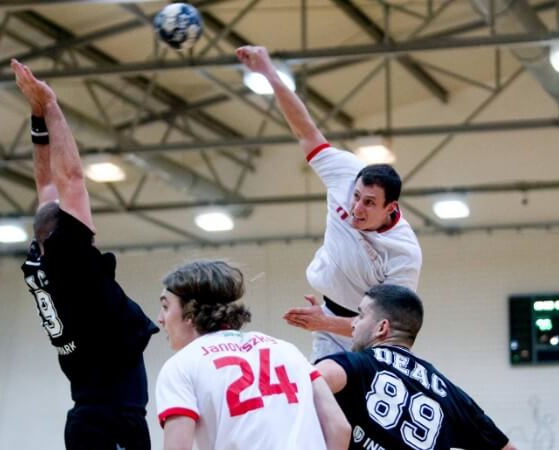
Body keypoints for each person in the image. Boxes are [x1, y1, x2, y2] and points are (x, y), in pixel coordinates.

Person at [236, 45, 423, 361]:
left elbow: (389, 326)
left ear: (390, 208)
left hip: (373, 337)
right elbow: (305, 130)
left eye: (369, 203)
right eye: (356, 197)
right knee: (321, 389)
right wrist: (269, 72)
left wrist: (325, 322)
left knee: (358, 392)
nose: (356, 208)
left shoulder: (404, 252)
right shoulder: (345, 174)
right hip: (328, 318)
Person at [13, 59, 158, 450]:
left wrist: (38, 119)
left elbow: (47, 186)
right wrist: (51, 105)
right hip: (115, 422)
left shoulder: (40, 259)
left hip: (88, 417)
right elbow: (71, 180)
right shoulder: (73, 262)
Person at [154, 260, 351, 450]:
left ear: (190, 313)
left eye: (165, 307)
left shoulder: (180, 366)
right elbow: (340, 428)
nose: (160, 318)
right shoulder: (285, 349)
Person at [316, 284, 517, 450]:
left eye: (360, 316)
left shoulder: (358, 363)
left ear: (382, 327)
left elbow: (313, 379)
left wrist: (337, 429)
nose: (353, 324)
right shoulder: (451, 394)